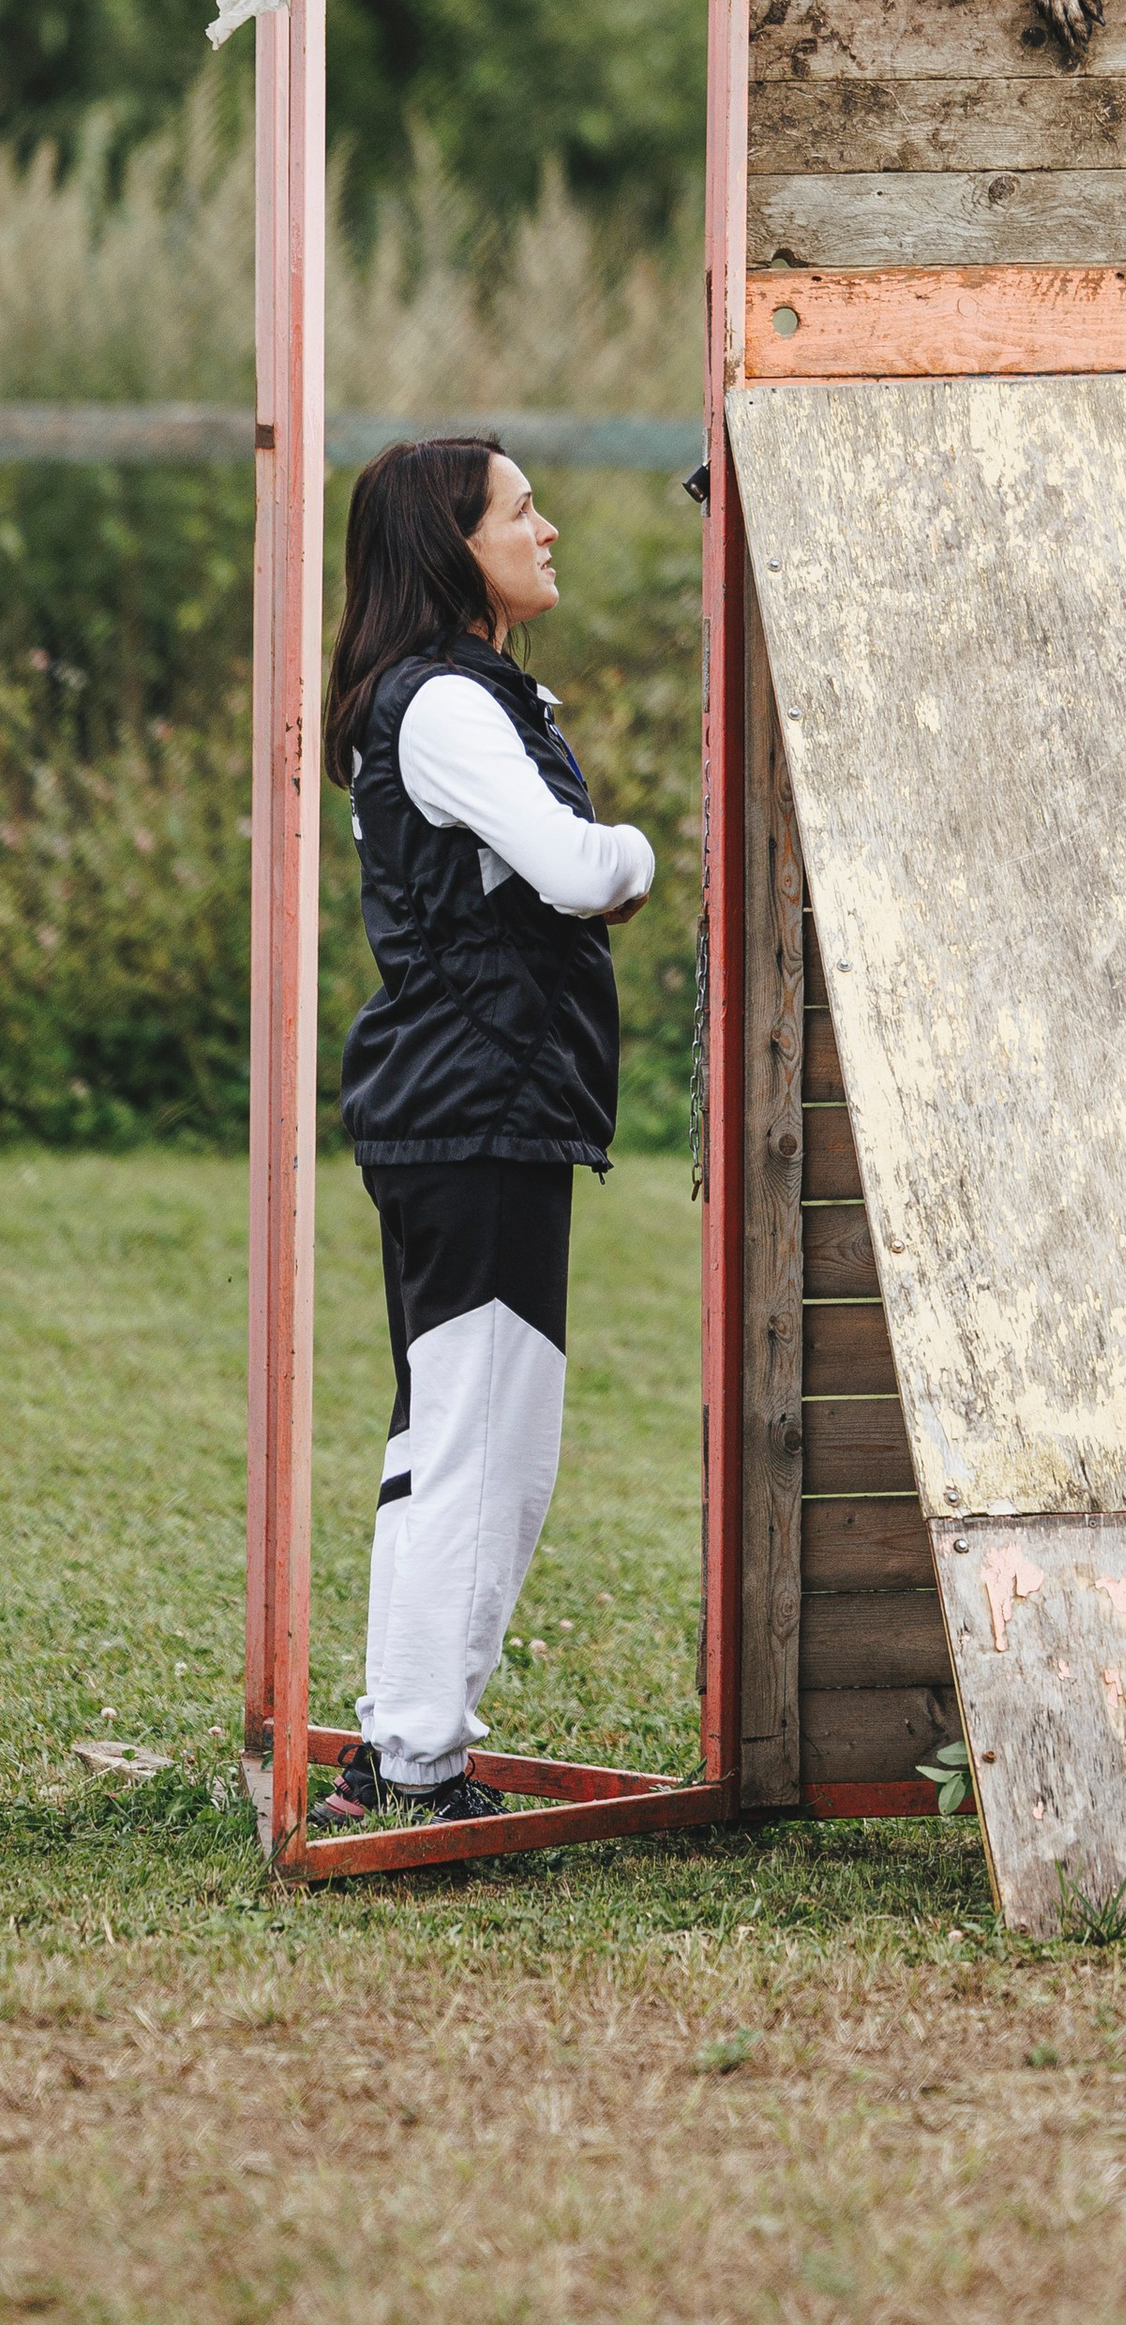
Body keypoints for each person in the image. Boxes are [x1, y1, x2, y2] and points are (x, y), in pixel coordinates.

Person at [311, 436, 655, 1827]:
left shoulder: (456, 695)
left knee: (462, 1434)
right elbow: (578, 871)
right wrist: (633, 858)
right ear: (455, 546)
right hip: (475, 1106)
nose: (550, 527)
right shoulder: (446, 706)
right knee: (481, 1443)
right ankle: (417, 1761)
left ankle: (403, 1740)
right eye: (523, 510)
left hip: (473, 1108)